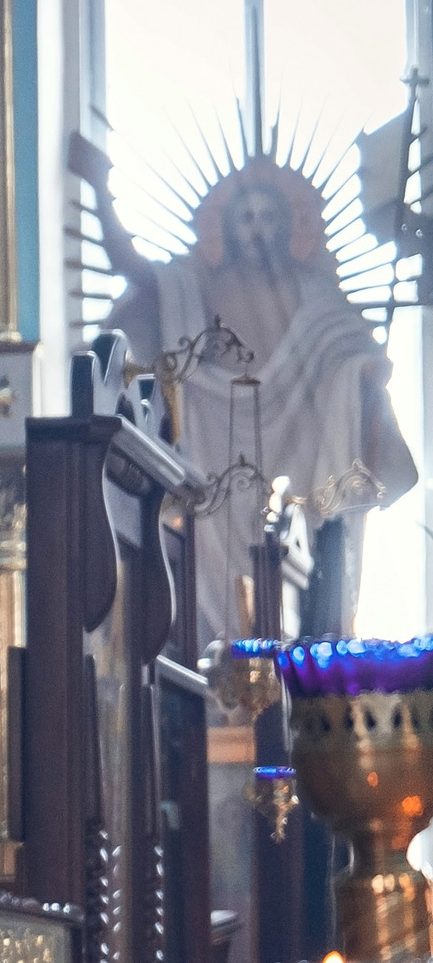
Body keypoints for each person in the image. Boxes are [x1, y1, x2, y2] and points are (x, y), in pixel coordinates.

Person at [77, 142, 419, 640]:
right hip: (215, 444)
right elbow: (133, 268)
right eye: (245, 218)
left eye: (267, 217)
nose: (257, 229)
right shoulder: (196, 285)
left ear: (286, 227)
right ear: (228, 229)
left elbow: (349, 349)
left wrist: (362, 373)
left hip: (299, 455)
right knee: (207, 589)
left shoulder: (316, 292)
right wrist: (101, 190)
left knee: (304, 571)